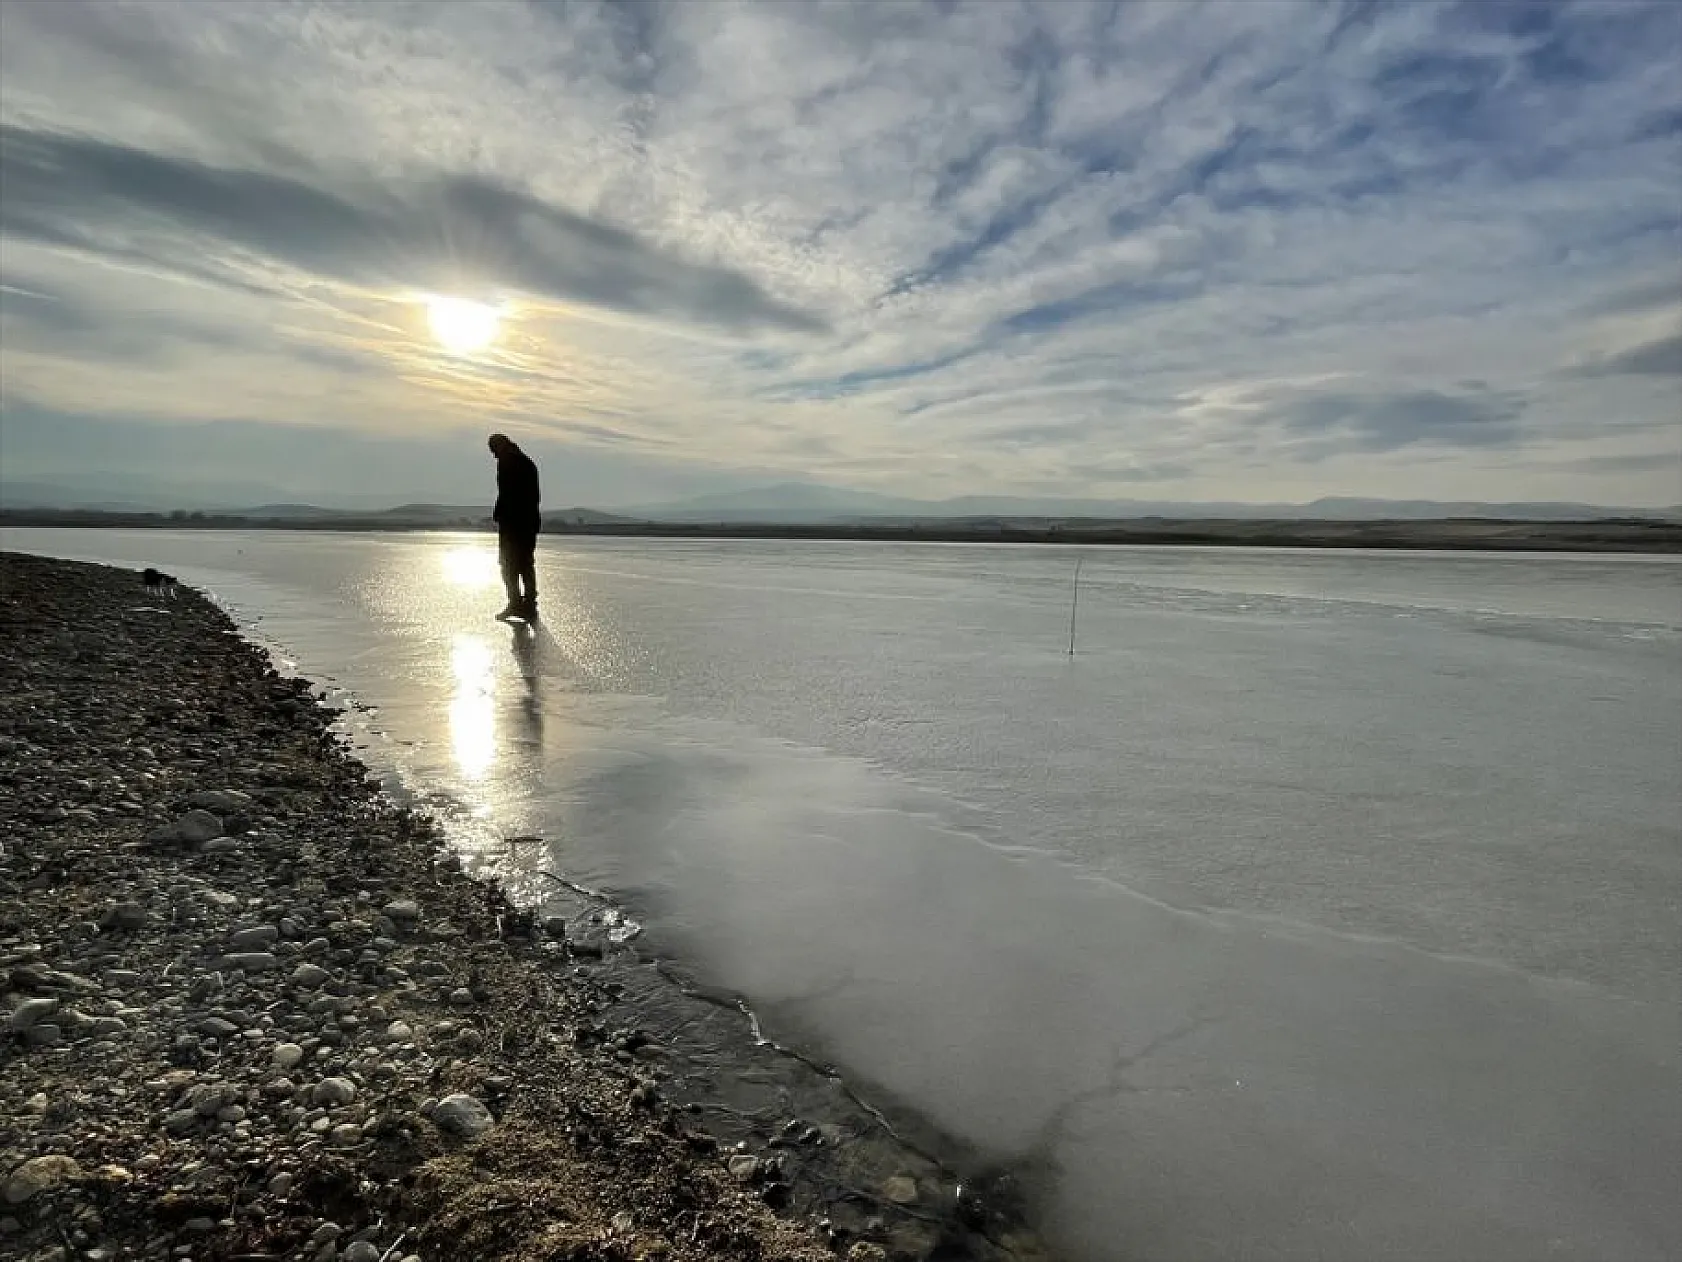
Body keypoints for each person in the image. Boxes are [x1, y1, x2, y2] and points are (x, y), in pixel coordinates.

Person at [487, 433, 541, 620]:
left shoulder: (508, 462)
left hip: (514, 524)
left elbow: (508, 493)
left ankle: (516, 604)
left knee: (509, 565)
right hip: (528, 523)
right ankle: (528, 605)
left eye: (493, 450)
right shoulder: (527, 462)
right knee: (525, 564)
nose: (494, 455)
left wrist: (500, 513)